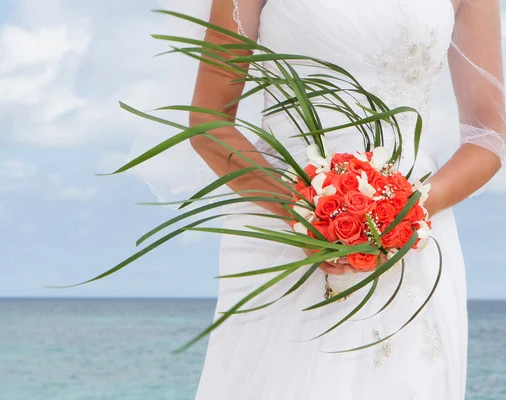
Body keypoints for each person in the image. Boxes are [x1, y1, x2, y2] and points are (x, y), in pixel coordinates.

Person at [159, 0, 505, 398]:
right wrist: (303, 210)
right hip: (281, 229)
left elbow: (489, 132)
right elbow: (209, 118)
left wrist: (406, 211)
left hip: (413, 238)